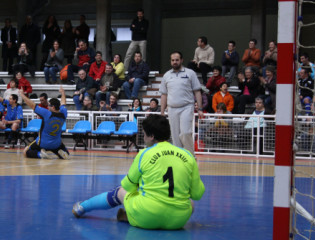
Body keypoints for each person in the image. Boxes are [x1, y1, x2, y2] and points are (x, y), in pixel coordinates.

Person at [72, 114, 205, 230]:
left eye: (144, 133)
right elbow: (197, 194)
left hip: (147, 216)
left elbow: (127, 186)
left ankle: (82, 207)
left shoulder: (144, 154)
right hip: (177, 221)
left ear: (151, 136)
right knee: (190, 203)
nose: (143, 137)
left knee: (120, 192)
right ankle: (131, 215)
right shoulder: (187, 155)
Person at [160, 51, 204, 156]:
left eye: (177, 60)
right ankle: (178, 158)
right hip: (171, 108)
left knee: (185, 133)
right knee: (175, 136)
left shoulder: (190, 73)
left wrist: (200, 109)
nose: (175, 62)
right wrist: (162, 111)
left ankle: (190, 157)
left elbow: (197, 91)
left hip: (187, 107)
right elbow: (164, 95)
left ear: (181, 60)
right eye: (173, 60)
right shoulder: (166, 75)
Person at [21, 86, 70, 159]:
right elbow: (63, 103)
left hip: (42, 143)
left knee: (25, 152)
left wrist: (22, 95)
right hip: (56, 144)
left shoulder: (47, 114)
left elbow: (32, 105)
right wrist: (63, 93)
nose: (47, 107)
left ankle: (40, 154)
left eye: (49, 105)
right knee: (64, 152)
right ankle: (62, 153)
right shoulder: (63, 114)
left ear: (53, 107)